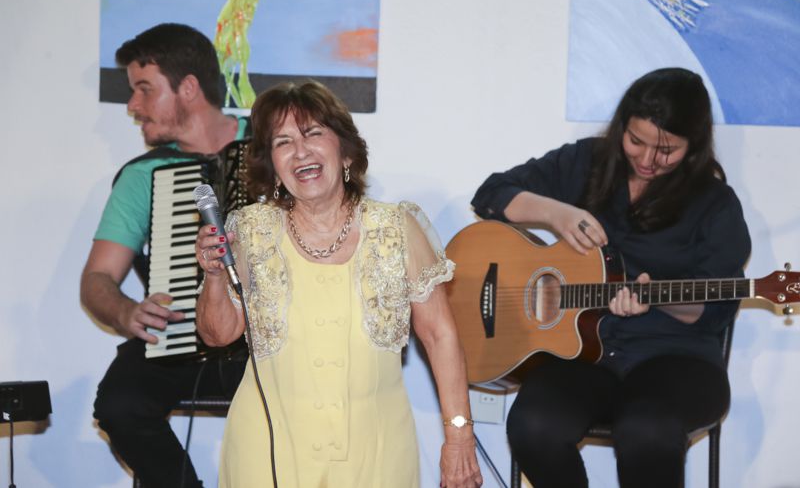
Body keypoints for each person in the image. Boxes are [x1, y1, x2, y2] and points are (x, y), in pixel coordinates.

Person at [194, 79, 483, 488]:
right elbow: (217, 335)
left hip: (377, 452)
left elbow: (441, 336)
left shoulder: (396, 228)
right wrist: (213, 275)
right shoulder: (249, 231)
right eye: (282, 142)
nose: (300, 152)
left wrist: (459, 436)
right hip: (267, 450)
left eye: (313, 133)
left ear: (345, 151)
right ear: (272, 166)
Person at [471, 67, 751, 488]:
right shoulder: (587, 162)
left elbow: (716, 310)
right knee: (533, 425)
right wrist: (556, 213)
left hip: (676, 361)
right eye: (635, 141)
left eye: (666, 150)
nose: (647, 159)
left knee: (646, 432)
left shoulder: (715, 204)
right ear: (622, 127)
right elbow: (492, 194)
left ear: (693, 146)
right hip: (582, 357)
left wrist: (656, 298)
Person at [80, 23, 249, 488]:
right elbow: (97, 279)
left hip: (266, 343)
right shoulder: (143, 176)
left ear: (188, 88)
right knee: (119, 405)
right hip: (180, 339)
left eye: (144, 89)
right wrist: (125, 311)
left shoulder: (276, 146)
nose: (133, 106)